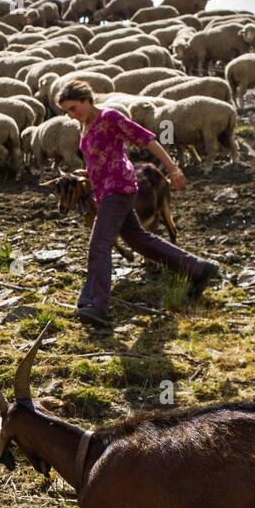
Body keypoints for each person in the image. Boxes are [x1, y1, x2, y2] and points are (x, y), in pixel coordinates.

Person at [56, 80, 222, 328]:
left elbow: (145, 139)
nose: (71, 114)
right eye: (67, 111)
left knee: (99, 243)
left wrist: (173, 168)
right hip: (104, 191)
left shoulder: (109, 117)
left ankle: (94, 304)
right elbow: (100, 158)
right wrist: (87, 173)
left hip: (119, 188)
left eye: (74, 107)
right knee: (138, 239)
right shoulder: (84, 126)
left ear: (87, 100)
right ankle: (198, 268)